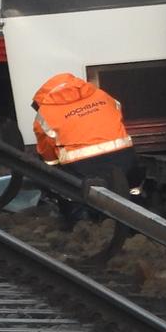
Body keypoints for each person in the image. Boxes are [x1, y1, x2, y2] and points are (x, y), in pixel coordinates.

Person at [31, 73, 137, 223]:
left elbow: (47, 155)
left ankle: (83, 222)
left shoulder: (44, 113)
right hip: (123, 155)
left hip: (82, 165)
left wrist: (54, 169)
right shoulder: (102, 95)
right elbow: (117, 115)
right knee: (127, 188)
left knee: (74, 193)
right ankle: (134, 216)